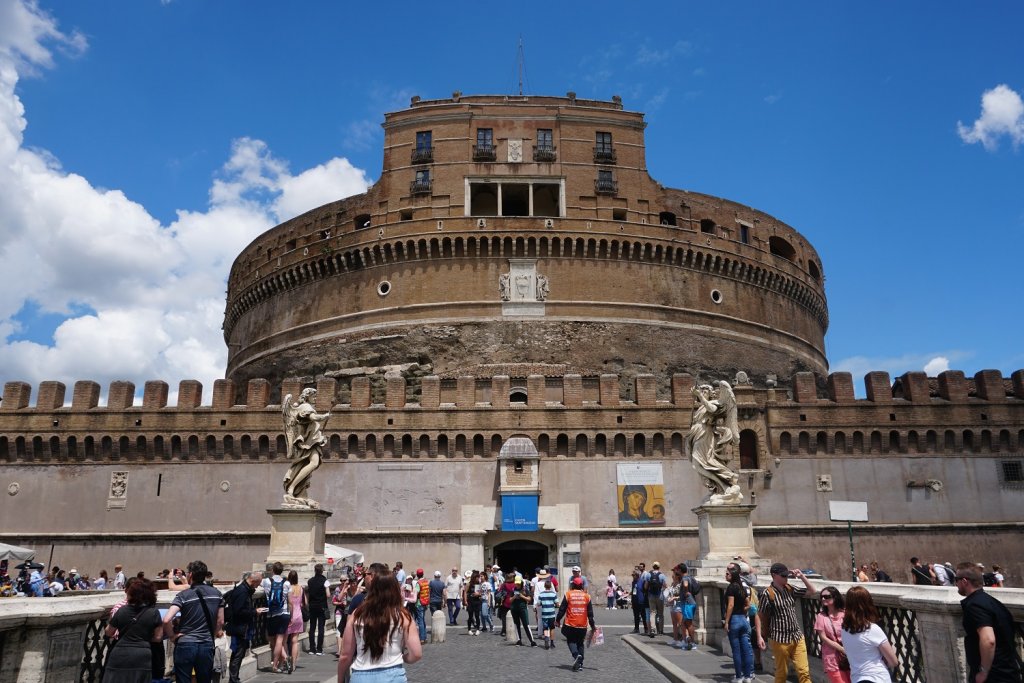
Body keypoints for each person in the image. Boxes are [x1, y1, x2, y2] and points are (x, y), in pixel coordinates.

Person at [337, 574, 422, 682]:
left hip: (361, 675)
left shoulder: (357, 614)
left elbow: (345, 656)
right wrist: (404, 658)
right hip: (393, 675)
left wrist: (340, 679)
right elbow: (416, 653)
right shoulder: (403, 616)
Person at [956, 562, 1022, 682]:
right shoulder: (992, 602)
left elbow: (989, 640)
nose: (955, 583)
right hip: (1007, 671)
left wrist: (983, 672)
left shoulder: (975, 605)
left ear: (965, 581)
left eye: (956, 579)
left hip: (994, 675)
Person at [162, 560, 224, 683]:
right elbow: (220, 621)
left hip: (185, 643)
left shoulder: (184, 595)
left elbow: (166, 620)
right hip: (206, 644)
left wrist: (172, 637)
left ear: (190, 575)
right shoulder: (217, 594)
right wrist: (211, 635)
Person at [758, 562, 816, 683]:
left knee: (804, 672)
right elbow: (760, 615)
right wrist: (760, 636)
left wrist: (801, 576)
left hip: (797, 636)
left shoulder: (790, 589)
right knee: (782, 673)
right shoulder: (767, 594)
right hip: (779, 638)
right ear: (774, 575)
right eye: (783, 576)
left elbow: (812, 591)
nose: (786, 578)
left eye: (787, 575)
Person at [102, 577, 162, 683]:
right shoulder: (154, 612)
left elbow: (108, 632)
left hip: (120, 653)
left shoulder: (121, 610)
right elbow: (158, 638)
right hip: (142, 654)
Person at [841, 586, 898, 683]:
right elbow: (893, 662)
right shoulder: (872, 629)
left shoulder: (844, 630)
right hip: (877, 678)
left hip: (857, 679)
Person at [224, 570, 262, 683]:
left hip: (242, 626)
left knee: (239, 654)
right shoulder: (242, 592)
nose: (259, 585)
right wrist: (255, 611)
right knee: (237, 654)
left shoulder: (244, 590)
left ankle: (234, 678)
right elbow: (238, 611)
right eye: (258, 582)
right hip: (240, 627)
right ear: (253, 581)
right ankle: (233, 679)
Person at [723, 562, 757, 683]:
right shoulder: (742, 587)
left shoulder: (732, 587)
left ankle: (739, 676)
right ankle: (748, 676)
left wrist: (727, 621)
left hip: (735, 620)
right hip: (744, 620)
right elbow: (748, 604)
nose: (725, 575)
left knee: (736, 650)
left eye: (727, 573)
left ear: (732, 575)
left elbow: (730, 605)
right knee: (746, 650)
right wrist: (741, 610)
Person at [556, 576, 596, 671]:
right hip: (582, 624)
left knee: (570, 640)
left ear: (573, 584)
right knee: (580, 643)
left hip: (570, 623)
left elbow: (562, 609)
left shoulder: (568, 594)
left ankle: (576, 655)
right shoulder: (587, 596)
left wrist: (557, 620)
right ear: (582, 585)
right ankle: (581, 664)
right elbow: (590, 614)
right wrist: (593, 625)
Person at [814, 586, 852, 683]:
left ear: (835, 597)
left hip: (850, 654)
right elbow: (824, 638)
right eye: (821, 597)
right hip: (832, 657)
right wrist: (842, 649)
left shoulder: (846, 613)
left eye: (826, 596)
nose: (823, 599)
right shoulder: (821, 616)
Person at [260, 561, 291, 674]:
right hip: (285, 614)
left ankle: (275, 665)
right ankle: (284, 658)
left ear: (272, 570)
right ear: (282, 571)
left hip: (272, 614)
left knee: (272, 638)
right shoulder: (287, 583)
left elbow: (257, 583)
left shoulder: (267, 581)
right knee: (279, 639)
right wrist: (291, 615)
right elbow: (290, 601)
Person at [306, 563, 330, 656]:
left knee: (312, 627)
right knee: (321, 628)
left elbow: (308, 594)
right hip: (322, 606)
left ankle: (312, 648)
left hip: (312, 606)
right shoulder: (325, 581)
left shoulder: (310, 581)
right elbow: (328, 595)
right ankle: (319, 649)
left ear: (315, 570)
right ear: (322, 570)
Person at [285, 570, 305, 673]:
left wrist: (290, 617)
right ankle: (293, 664)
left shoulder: (289, 588)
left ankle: (285, 661)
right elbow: (302, 603)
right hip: (299, 615)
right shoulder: (300, 588)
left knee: (284, 640)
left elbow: (289, 603)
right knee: (295, 641)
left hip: (291, 615)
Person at [509, 575, 538, 646]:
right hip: (514, 609)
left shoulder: (525, 589)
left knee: (526, 624)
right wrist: (514, 597)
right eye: (516, 583)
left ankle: (532, 641)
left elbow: (529, 599)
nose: (517, 585)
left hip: (523, 609)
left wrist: (522, 596)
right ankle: (519, 640)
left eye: (518, 583)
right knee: (516, 624)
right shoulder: (513, 590)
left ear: (521, 582)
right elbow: (510, 600)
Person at [537, 578, 559, 649]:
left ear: (544, 586)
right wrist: (555, 605)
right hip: (551, 614)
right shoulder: (553, 594)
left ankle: (546, 638)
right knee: (552, 628)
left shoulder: (541, 594)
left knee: (545, 628)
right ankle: (552, 643)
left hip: (544, 614)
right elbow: (557, 604)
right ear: (550, 586)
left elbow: (538, 603)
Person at [647, 561, 667, 635]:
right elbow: (665, 585)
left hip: (651, 596)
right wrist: (662, 590)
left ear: (653, 567)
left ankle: (652, 629)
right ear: (659, 567)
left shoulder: (649, 575)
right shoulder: (662, 575)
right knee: (660, 614)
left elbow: (646, 586)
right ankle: (661, 630)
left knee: (652, 613)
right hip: (660, 596)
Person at [629, 567, 650, 636]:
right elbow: (633, 591)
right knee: (636, 616)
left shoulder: (642, 581)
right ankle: (636, 628)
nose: (632, 576)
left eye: (633, 575)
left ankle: (646, 629)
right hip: (635, 601)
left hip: (641, 601)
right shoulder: (633, 582)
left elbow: (645, 590)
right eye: (632, 575)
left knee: (643, 616)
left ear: (637, 575)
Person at [464, 570, 483, 635]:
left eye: (478, 577)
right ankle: (469, 629)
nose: (478, 578)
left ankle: (478, 629)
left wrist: (478, 594)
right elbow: (465, 592)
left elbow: (481, 592)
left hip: (477, 601)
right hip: (470, 601)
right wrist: (465, 601)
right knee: (470, 616)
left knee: (477, 616)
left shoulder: (479, 584)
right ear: (473, 578)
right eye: (477, 577)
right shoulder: (469, 584)